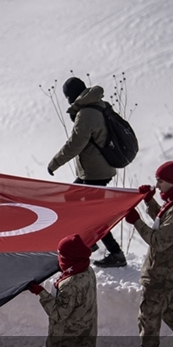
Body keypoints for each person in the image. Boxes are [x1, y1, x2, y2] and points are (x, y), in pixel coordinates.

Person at [46, 77, 127, 269]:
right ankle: (89, 242)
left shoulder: (86, 113)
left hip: (94, 172)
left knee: (93, 214)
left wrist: (54, 163)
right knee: (71, 199)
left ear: (72, 95)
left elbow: (75, 144)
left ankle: (115, 253)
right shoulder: (98, 104)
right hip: (96, 169)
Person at [121, 161, 173, 347]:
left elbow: (160, 240)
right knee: (172, 314)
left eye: (160, 180)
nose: (157, 185)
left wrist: (137, 222)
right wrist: (149, 202)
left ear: (170, 181)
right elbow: (163, 222)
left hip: (162, 276)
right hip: (169, 275)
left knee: (149, 318)